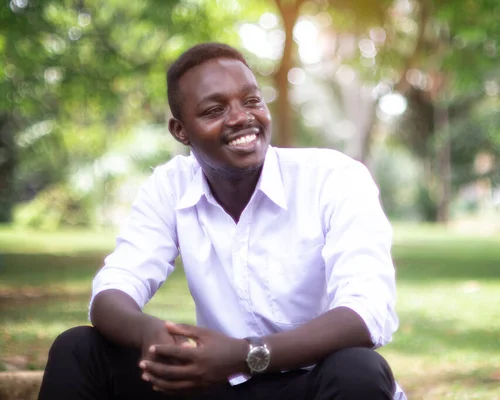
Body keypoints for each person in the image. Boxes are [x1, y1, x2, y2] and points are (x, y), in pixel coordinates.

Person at [38, 42, 405, 400]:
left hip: (312, 383)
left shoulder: (333, 177)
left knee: (358, 368)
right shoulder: (170, 185)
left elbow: (367, 311)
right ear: (180, 131)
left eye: (251, 100)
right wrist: (146, 331)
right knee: (78, 348)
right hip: (216, 382)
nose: (241, 117)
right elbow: (112, 290)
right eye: (214, 110)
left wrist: (247, 354)